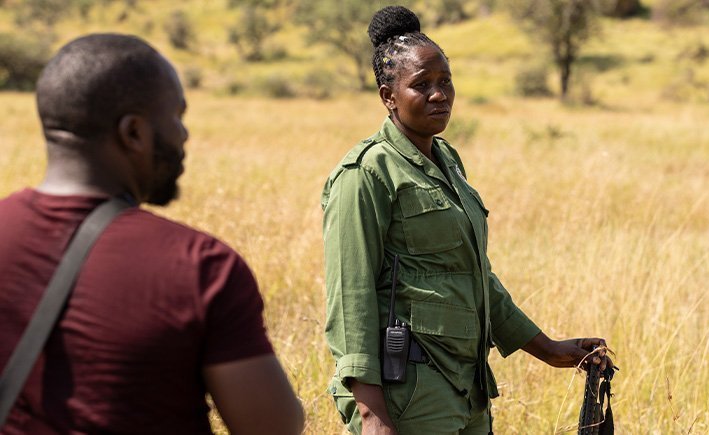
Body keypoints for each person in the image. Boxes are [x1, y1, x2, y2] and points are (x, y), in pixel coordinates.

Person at [321, 6, 613, 435]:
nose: (439, 95)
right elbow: (351, 298)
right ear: (388, 96)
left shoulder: (447, 161)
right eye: (421, 85)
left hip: (468, 385)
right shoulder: (365, 174)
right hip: (410, 390)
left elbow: (476, 277)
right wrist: (371, 415)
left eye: (445, 82)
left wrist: (547, 348)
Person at [0, 34, 304, 434]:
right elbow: (274, 427)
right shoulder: (200, 267)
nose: (183, 134)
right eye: (176, 116)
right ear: (134, 133)